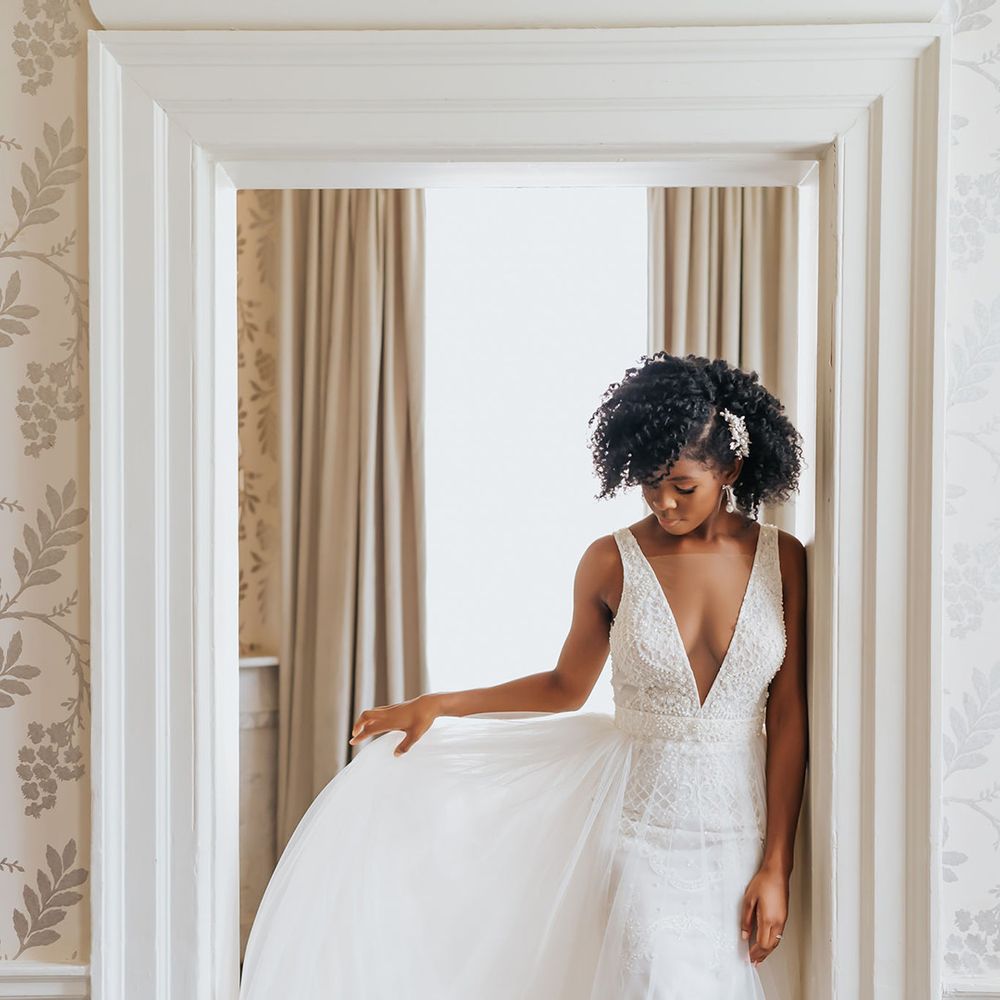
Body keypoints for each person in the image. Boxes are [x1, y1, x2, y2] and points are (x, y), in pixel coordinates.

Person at [239, 351, 809, 1000]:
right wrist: (440, 704)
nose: (664, 503)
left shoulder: (782, 561)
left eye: (683, 486)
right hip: (639, 834)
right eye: (649, 484)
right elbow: (566, 688)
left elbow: (788, 715)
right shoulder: (610, 562)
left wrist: (776, 865)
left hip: (742, 834)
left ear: (730, 470)